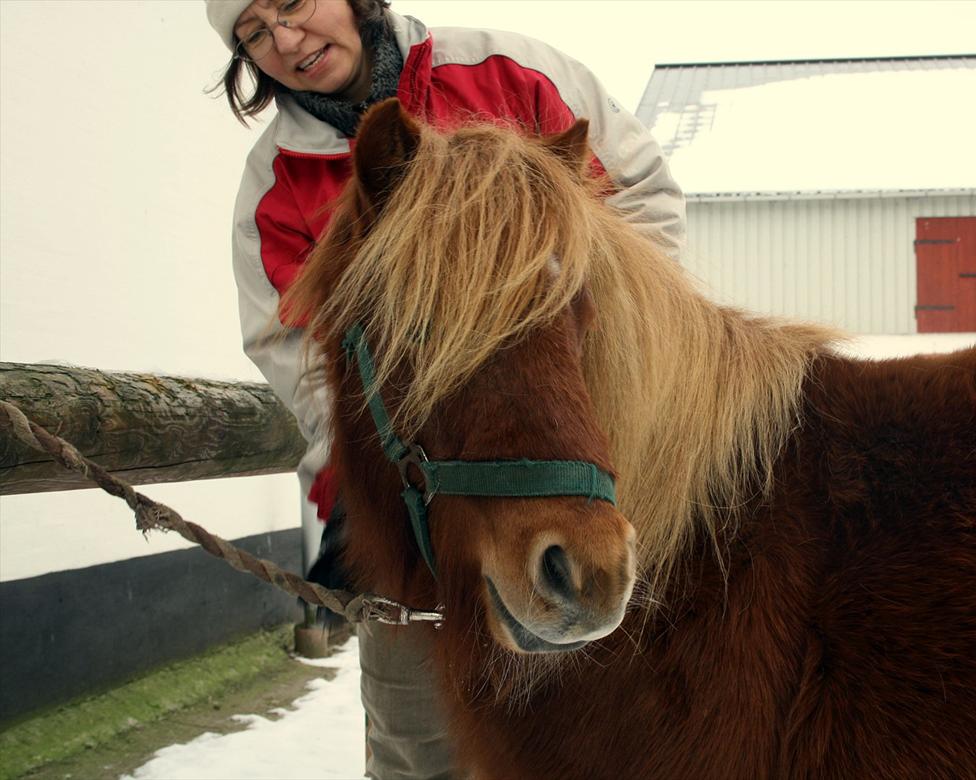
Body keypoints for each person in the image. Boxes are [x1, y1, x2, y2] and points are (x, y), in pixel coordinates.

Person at [205, 1, 686, 777]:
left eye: (292, 3)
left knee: (623, 724)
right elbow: (290, 344)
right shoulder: (277, 185)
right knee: (415, 739)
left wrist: (596, 360)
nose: (285, 40)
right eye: (253, 33)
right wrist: (360, 485)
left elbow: (644, 201)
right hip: (413, 501)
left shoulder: (508, 74)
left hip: (571, 463)